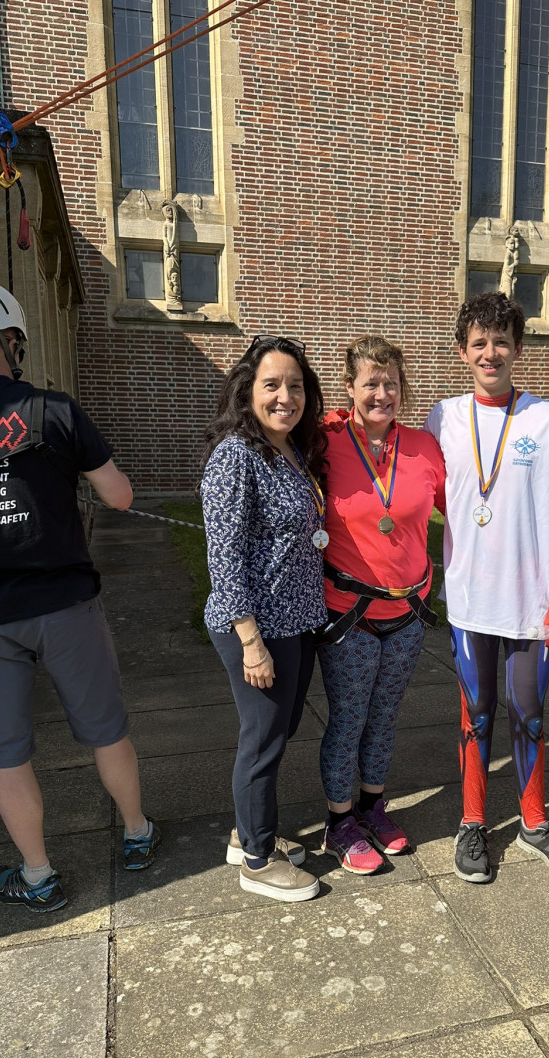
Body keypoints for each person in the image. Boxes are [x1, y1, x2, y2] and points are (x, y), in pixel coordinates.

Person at [0, 277, 159, 913]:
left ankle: (38, 875)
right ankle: (136, 834)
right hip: (63, 605)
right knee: (106, 731)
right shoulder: (50, 410)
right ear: (10, 339)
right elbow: (119, 496)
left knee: (7, 755)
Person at [423, 291, 549, 883]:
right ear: (462, 351)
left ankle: (534, 821)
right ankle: (472, 823)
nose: (490, 352)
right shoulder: (441, 418)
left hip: (530, 603)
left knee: (530, 712)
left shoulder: (548, 419)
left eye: (500, 342)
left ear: (518, 349)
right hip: (470, 600)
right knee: (476, 713)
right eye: (478, 342)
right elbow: (410, 481)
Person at [200, 334, 327, 902]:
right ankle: (256, 858)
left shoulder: (291, 450)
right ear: (247, 392)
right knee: (263, 739)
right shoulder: (236, 456)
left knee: (280, 729)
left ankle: (246, 832)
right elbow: (223, 556)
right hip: (256, 626)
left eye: (295, 386)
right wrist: (251, 641)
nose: (285, 397)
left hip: (296, 618)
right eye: (271, 385)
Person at [317, 336, 445, 873]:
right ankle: (339, 822)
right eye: (370, 382)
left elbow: (466, 511)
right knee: (349, 718)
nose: (382, 392)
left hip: (408, 614)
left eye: (391, 382)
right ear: (350, 389)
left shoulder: (423, 448)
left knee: (385, 718)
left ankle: (373, 805)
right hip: (349, 616)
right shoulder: (323, 440)